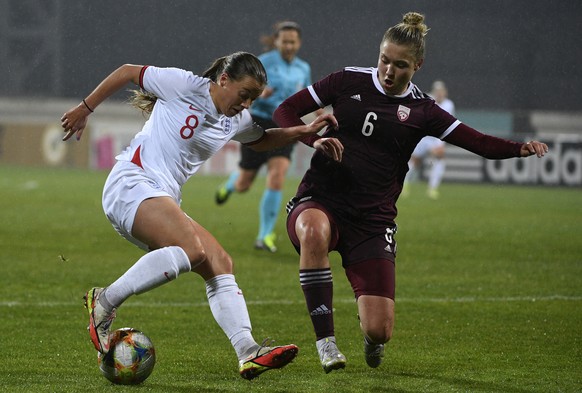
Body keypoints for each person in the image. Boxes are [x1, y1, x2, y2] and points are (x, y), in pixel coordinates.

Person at [273, 12, 548, 373]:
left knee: (380, 330)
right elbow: (285, 109)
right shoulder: (346, 80)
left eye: (400, 65)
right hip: (321, 199)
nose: (389, 70)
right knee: (313, 230)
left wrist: (519, 148)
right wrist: (314, 138)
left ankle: (372, 339)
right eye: (384, 60)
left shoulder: (423, 110)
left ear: (417, 65)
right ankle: (326, 342)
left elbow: (476, 141)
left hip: (373, 220)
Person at [59, 52, 338, 380]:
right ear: (223, 80)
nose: (246, 104)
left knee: (220, 262)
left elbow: (261, 141)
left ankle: (247, 350)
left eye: (253, 98)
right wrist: (85, 108)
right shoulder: (185, 85)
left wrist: (305, 134)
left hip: (160, 197)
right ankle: (104, 301)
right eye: (244, 94)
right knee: (194, 250)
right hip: (132, 182)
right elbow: (127, 72)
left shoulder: (236, 119)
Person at [215, 21, 320, 253]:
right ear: (277, 41)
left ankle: (265, 235)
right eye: (285, 41)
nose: (289, 45)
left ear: (299, 43)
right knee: (245, 183)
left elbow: (310, 95)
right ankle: (231, 184)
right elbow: (246, 90)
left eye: (293, 41)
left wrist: (322, 113)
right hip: (259, 122)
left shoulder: (303, 68)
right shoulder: (263, 62)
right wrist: (261, 94)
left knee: (277, 175)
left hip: (285, 124)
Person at [403, 80, 454, 199]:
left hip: (435, 139)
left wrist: (441, 143)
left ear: (445, 92)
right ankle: (404, 184)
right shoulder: (427, 99)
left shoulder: (449, 104)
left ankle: (432, 188)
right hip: (423, 137)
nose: (439, 93)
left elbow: (448, 124)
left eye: (441, 91)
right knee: (414, 162)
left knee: (439, 159)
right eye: (437, 91)